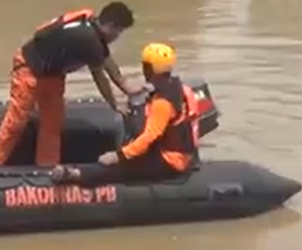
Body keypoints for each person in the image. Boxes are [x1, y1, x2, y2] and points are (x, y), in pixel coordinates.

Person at [0, 2, 142, 167]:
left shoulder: (92, 27)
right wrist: (114, 104)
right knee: (17, 121)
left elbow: (106, 59)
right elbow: (99, 75)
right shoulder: (88, 38)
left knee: (53, 122)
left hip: (53, 73)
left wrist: (125, 86)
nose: (118, 36)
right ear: (110, 26)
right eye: (119, 31)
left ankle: (47, 166)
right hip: (29, 67)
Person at [50, 42, 200, 186]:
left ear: (150, 68)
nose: (143, 70)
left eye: (145, 66)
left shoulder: (163, 102)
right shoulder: (176, 87)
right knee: (130, 157)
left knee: (123, 168)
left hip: (171, 161)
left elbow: (150, 136)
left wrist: (119, 155)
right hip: (175, 154)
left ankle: (76, 174)